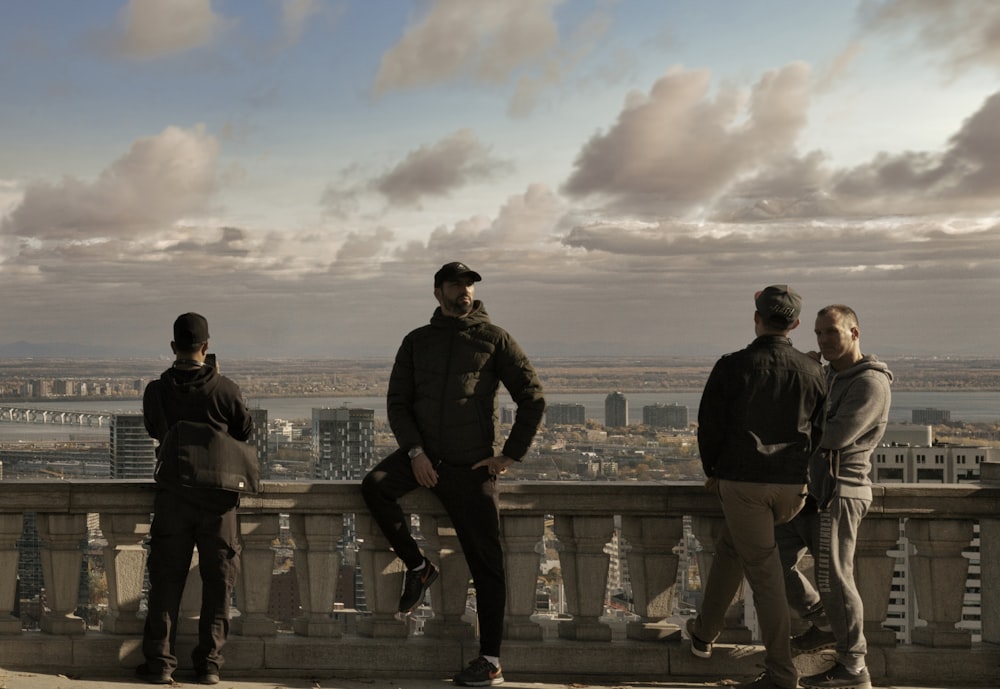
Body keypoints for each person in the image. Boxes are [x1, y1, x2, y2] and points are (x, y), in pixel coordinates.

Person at [361, 261, 545, 687]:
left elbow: (532, 398)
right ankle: (419, 565)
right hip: (423, 458)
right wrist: (416, 453)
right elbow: (397, 403)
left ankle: (491, 660)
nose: (463, 291)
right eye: (455, 284)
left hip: (471, 467)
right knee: (374, 487)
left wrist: (508, 457)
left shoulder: (494, 339)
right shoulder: (416, 342)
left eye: (468, 285)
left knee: (488, 565)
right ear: (437, 292)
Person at [688, 285, 827, 689]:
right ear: (797, 324)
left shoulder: (732, 366)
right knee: (733, 547)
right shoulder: (813, 370)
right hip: (792, 489)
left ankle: (783, 676)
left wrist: (712, 469)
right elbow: (820, 432)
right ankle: (704, 633)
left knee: (766, 581)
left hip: (744, 483)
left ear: (756, 318)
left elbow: (710, 425)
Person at [777, 305, 893, 689]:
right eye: (818, 333)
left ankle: (854, 668)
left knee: (836, 581)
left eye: (832, 332)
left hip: (840, 492)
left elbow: (834, 436)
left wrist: (796, 426)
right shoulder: (827, 377)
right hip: (811, 491)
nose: (824, 340)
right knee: (768, 557)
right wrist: (806, 376)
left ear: (855, 332)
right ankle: (823, 621)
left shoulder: (870, 383)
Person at [137, 313, 254, 686]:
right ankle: (209, 665)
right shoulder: (225, 389)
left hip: (172, 497)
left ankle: (160, 664)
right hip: (218, 501)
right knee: (218, 583)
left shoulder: (156, 391)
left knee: (166, 583)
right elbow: (244, 430)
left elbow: (155, 428)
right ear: (207, 347)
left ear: (173, 347)